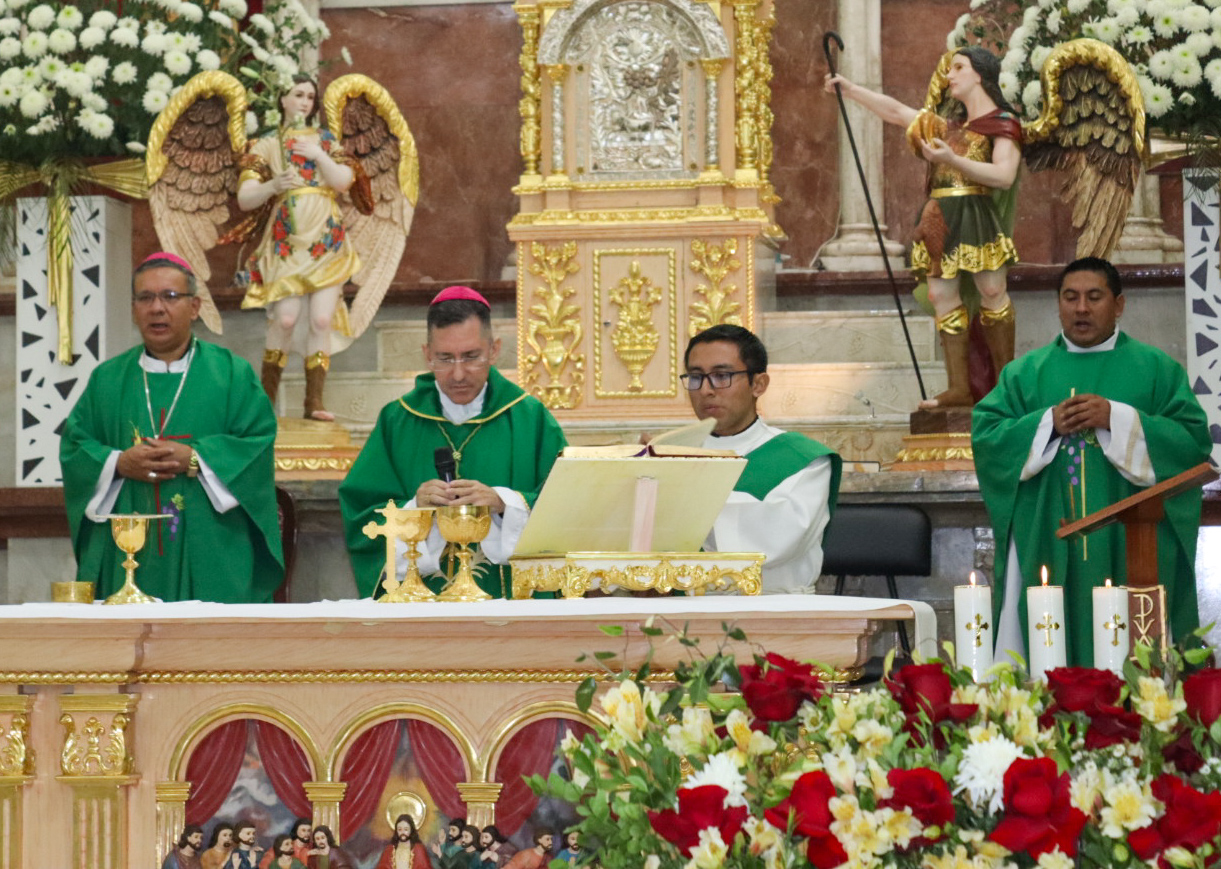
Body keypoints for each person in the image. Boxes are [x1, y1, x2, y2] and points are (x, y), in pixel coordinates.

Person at [973, 257, 1212, 666]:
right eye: (1070, 297)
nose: (1081, 308)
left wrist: (1118, 420)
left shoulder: (1156, 369)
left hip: (1131, 545)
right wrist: (1046, 424)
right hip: (1047, 536)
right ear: (1059, 304)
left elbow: (1192, 443)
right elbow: (988, 438)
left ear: (1118, 305)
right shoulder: (1023, 374)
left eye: (1093, 297)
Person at [59, 252, 284, 603]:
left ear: (194, 307)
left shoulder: (231, 374)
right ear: (134, 309)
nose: (156, 308)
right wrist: (118, 463)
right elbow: (75, 448)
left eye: (170, 296)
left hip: (212, 546)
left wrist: (196, 458)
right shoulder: (107, 379)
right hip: (127, 554)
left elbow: (257, 443)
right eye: (145, 298)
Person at [339, 287, 567, 599]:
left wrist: (504, 503)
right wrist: (414, 510)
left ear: (494, 349)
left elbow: (565, 507)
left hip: (510, 606)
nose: (458, 373)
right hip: (421, 608)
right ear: (427, 354)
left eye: (471, 357)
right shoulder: (398, 419)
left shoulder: (530, 418)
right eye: (445, 359)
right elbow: (362, 515)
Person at [825, 46, 1021, 408]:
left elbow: (1004, 176)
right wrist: (850, 90)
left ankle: (1005, 385)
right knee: (941, 296)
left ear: (980, 74)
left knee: (992, 289)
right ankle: (959, 388)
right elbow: (897, 111)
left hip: (974, 212)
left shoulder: (1002, 122)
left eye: (959, 68)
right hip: (939, 216)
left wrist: (953, 159)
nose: (950, 75)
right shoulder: (942, 125)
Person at [237, 74, 361, 421]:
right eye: (298, 95)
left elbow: (343, 181)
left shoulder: (325, 139)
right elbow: (245, 197)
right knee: (287, 318)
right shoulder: (267, 144)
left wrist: (319, 155)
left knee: (322, 319)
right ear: (282, 100)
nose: (305, 102)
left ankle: (314, 402)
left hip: (326, 237)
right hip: (287, 240)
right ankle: (266, 400)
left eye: (310, 96)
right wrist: (273, 185)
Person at [683, 325, 841, 592]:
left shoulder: (803, 458)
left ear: (758, 384)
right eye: (696, 377)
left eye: (722, 376)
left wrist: (675, 496)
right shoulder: (672, 454)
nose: (706, 390)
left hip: (773, 613)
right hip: (678, 612)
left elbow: (777, 538)